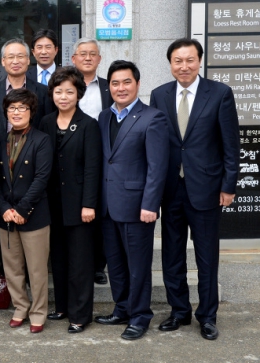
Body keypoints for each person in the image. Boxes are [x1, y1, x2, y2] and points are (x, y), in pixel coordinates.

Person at [150, 38, 239, 341]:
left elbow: (231, 144)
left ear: (199, 61)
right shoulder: (159, 95)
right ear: (171, 63)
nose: (183, 66)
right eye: (178, 60)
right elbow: (157, 143)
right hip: (171, 189)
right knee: (172, 255)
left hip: (207, 189)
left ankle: (207, 316)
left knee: (206, 257)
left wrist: (228, 185)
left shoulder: (220, 94)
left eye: (189, 60)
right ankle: (179, 311)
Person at [94, 60, 169, 341]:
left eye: (126, 82)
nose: (120, 88)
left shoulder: (152, 118)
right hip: (108, 205)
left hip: (138, 207)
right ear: (109, 86)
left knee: (137, 266)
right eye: (115, 83)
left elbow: (157, 167)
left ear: (137, 84)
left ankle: (140, 316)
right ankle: (122, 308)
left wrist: (150, 204)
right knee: (115, 264)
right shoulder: (104, 117)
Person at [39, 67, 102, 333]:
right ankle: (62, 306)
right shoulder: (45, 122)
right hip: (51, 204)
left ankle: (80, 314)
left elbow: (92, 168)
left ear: (78, 94)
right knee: (60, 259)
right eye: (58, 91)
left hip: (79, 205)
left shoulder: (89, 124)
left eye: (69, 91)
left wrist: (89, 204)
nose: (63, 96)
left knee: (80, 262)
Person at [0, 88, 52, 333]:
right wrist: (4, 208)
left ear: (31, 111)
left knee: (37, 269)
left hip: (34, 215)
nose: (16, 112)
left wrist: (22, 208)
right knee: (12, 268)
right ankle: (20, 307)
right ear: (6, 111)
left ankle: (38, 312)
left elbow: (41, 178)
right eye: (12, 108)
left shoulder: (42, 139)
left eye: (22, 108)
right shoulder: (0, 141)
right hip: (6, 217)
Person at [71, 37, 113, 286]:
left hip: (103, 157)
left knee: (98, 211)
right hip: (70, 155)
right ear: (73, 59)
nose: (87, 58)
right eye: (82, 54)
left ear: (99, 59)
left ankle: (99, 265)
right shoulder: (65, 86)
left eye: (92, 54)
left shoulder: (110, 87)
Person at [0, 38, 55, 144]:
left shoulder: (43, 92)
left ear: (28, 60)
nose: (15, 61)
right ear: (3, 61)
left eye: (20, 56)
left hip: (34, 153)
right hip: (0, 153)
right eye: (10, 57)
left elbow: (48, 127)